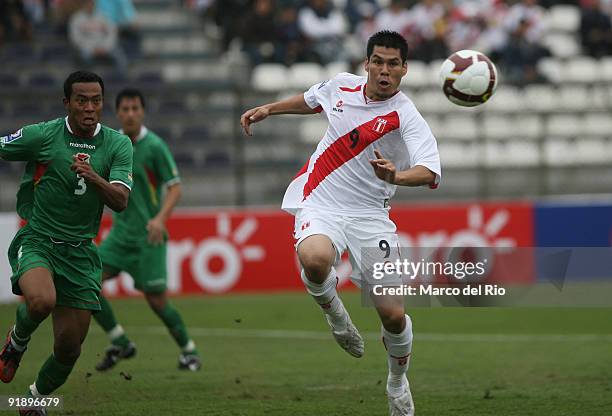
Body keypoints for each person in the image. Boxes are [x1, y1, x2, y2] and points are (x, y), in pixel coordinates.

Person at [240, 30, 441, 416]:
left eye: (392, 64)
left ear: (404, 69)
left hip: (370, 216)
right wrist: (270, 108)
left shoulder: (405, 114)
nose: (384, 70)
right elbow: (311, 99)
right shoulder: (341, 87)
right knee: (315, 260)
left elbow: (431, 171)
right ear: (366, 63)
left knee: (394, 316)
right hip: (322, 201)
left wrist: (396, 177)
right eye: (378, 62)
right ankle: (337, 317)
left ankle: (397, 383)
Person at [0, 71, 133, 416]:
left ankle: (32, 401)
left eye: (96, 101)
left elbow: (120, 201)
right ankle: (16, 342)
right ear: (67, 103)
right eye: (81, 100)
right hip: (39, 240)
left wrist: (94, 178)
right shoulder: (43, 135)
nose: (90, 108)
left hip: (80, 252)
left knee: (69, 348)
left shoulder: (118, 144)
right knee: (42, 300)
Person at [93, 88, 201, 372]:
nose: (130, 114)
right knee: (86, 284)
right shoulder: (109, 143)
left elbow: (175, 188)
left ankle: (189, 351)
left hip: (148, 238)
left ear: (142, 112)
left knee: (156, 301)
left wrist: (160, 220)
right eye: (125, 109)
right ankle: (120, 341)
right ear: (117, 113)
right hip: (118, 237)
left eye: (135, 109)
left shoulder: (154, 146)